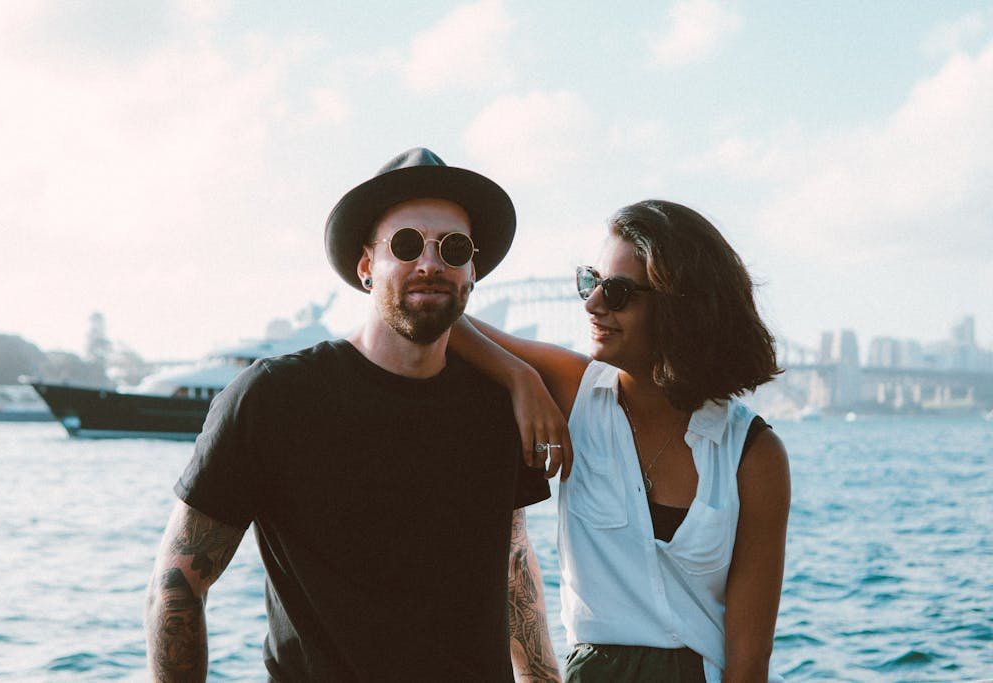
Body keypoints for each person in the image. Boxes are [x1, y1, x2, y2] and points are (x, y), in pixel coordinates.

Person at [144, 148, 561, 682]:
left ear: (472, 270)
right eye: (406, 245)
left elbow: (514, 570)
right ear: (367, 267)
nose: (430, 263)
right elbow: (178, 584)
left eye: (452, 248)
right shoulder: (273, 398)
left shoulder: (498, 405)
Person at [450, 199, 791, 682]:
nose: (592, 304)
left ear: (681, 306)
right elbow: (446, 317)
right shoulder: (575, 391)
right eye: (590, 282)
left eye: (617, 292)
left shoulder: (752, 454)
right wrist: (520, 377)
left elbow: (750, 660)